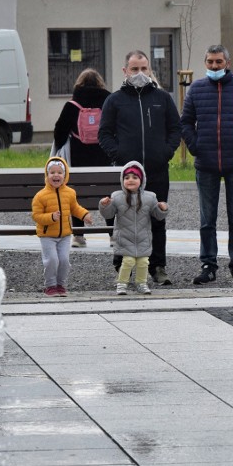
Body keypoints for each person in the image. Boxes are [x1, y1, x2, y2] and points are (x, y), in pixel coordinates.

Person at [180, 44, 233, 285]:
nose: (214, 66)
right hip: (206, 163)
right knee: (207, 219)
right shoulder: (196, 89)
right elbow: (185, 122)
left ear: (227, 62)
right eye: (210, 62)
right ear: (205, 63)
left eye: (218, 62)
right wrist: (195, 147)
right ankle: (208, 264)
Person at [98, 50, 181, 285]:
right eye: (135, 69)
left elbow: (176, 128)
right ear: (125, 71)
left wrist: (166, 152)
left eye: (144, 68)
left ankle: (158, 266)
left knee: (157, 218)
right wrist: (118, 156)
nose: (140, 73)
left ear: (150, 70)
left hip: (156, 170)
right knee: (123, 220)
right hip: (127, 175)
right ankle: (122, 267)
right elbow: (104, 133)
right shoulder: (114, 100)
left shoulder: (162, 98)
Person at [53, 69, 111, 248]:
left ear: (78, 84)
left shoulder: (72, 105)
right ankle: (113, 234)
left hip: (78, 161)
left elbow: (59, 135)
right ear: (101, 84)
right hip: (104, 159)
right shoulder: (109, 102)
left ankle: (79, 236)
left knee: (76, 194)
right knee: (108, 194)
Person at [99, 161, 168, 295]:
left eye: (135, 177)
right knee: (128, 261)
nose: (130, 180)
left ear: (141, 180)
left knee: (143, 262)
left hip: (143, 237)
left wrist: (163, 209)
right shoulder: (117, 197)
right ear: (122, 180)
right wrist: (104, 205)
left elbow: (158, 216)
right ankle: (122, 283)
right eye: (127, 177)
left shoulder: (150, 197)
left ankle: (141, 283)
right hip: (125, 237)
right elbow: (108, 214)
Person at [31, 156, 94, 297]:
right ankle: (50, 285)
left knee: (64, 261)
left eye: (59, 172)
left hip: (65, 235)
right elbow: (36, 216)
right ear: (47, 175)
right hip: (47, 235)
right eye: (52, 172)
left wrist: (84, 215)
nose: (56, 175)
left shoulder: (70, 193)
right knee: (52, 260)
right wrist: (51, 217)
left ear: (65, 176)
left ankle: (61, 285)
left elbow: (75, 208)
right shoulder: (40, 196)